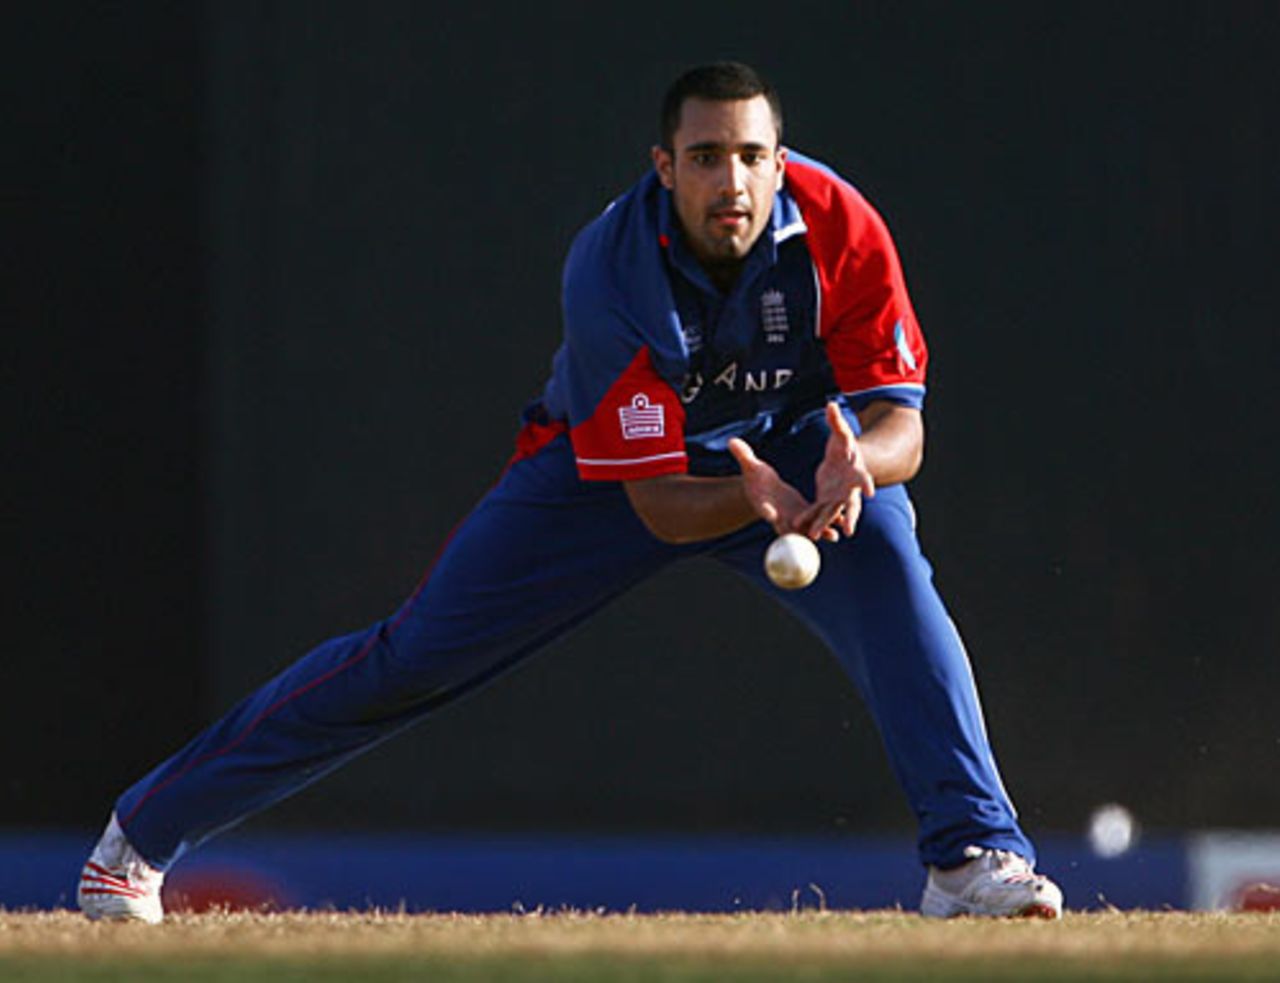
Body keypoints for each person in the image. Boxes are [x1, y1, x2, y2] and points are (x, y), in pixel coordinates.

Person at [78, 61, 1063, 923]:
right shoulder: (611, 271)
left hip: (801, 446)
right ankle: (136, 840)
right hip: (610, 478)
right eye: (706, 156)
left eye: (751, 155)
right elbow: (662, 509)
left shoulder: (839, 224)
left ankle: (968, 856)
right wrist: (755, 496)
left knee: (894, 576)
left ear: (777, 157)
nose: (733, 179)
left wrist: (855, 467)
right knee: (411, 656)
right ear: (663, 165)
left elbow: (902, 427)